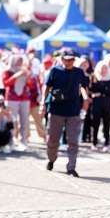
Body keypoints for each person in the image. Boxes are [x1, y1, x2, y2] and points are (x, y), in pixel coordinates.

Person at [42, 48, 89, 178]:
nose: (69, 62)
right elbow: (47, 87)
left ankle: (71, 167)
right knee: (53, 140)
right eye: (67, 59)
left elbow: (84, 87)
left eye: (72, 60)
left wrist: (85, 98)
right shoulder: (55, 71)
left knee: (73, 141)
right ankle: (51, 159)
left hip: (73, 111)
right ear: (62, 59)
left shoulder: (79, 72)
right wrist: (43, 103)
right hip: (56, 110)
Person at [3, 54, 30, 151]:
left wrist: (27, 77)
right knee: (12, 120)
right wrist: (16, 76)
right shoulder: (8, 71)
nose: (20, 63)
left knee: (24, 121)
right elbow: (6, 83)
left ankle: (24, 141)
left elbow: (30, 84)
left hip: (24, 98)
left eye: (21, 60)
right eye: (18, 60)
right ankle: (11, 140)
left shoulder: (25, 71)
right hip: (12, 98)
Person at [89, 60, 110, 151]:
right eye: (101, 68)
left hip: (106, 103)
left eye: (105, 68)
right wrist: (101, 89)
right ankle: (94, 142)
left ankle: (106, 143)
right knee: (95, 123)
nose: (103, 70)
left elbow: (109, 91)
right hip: (96, 103)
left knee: (106, 123)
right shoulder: (94, 77)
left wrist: (99, 90)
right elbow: (91, 89)